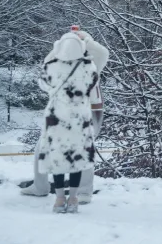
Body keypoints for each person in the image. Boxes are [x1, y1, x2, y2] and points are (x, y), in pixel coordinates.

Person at [22, 27, 108, 204]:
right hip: (67, 110)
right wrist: (60, 47)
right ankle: (42, 186)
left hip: (88, 109)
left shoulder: (92, 62)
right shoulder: (70, 64)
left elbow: (102, 52)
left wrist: (84, 39)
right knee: (44, 146)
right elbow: (46, 72)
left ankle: (82, 192)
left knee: (82, 148)